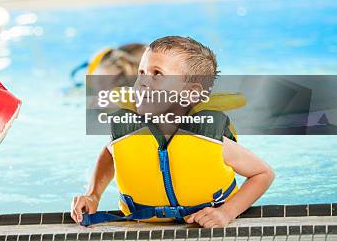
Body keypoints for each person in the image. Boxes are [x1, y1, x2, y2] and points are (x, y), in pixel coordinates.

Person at [71, 36, 274, 228]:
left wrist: (227, 212)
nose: (142, 81)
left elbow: (263, 174)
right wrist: (93, 195)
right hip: (142, 224)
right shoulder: (128, 130)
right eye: (141, 73)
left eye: (157, 74)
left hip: (202, 226)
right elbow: (109, 153)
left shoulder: (209, 138)